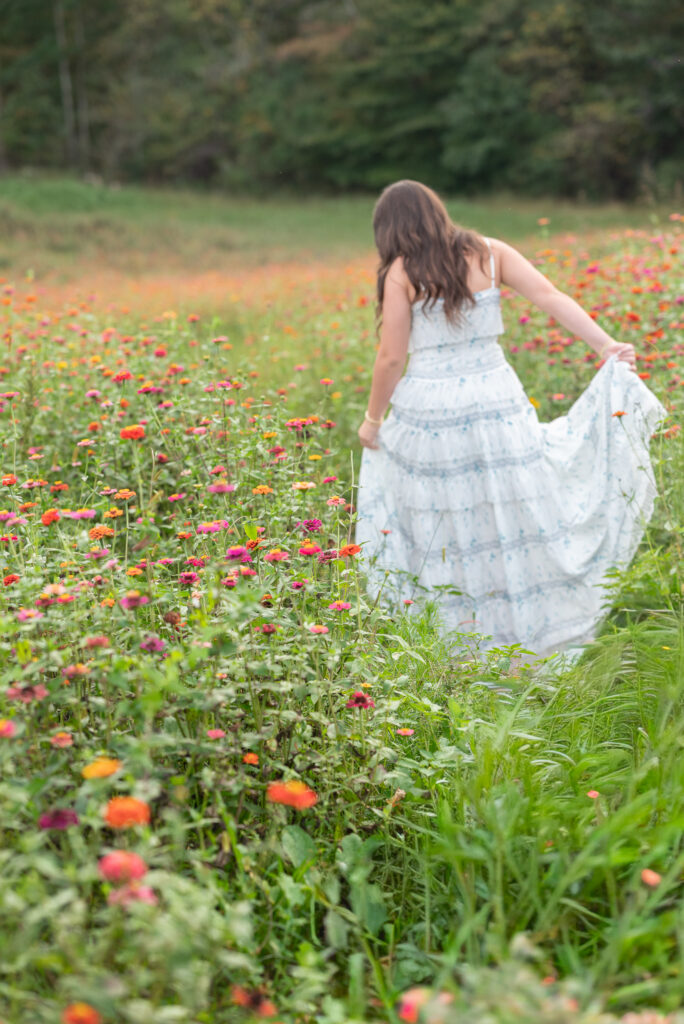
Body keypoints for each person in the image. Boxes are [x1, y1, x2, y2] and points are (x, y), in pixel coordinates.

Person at [354, 179, 668, 668]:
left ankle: (460, 643)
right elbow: (549, 295)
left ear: (389, 230)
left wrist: (373, 420)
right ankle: (526, 631)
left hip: (432, 411)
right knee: (510, 513)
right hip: (495, 397)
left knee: (450, 523)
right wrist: (605, 344)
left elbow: (391, 356)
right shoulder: (490, 252)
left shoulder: (401, 271)